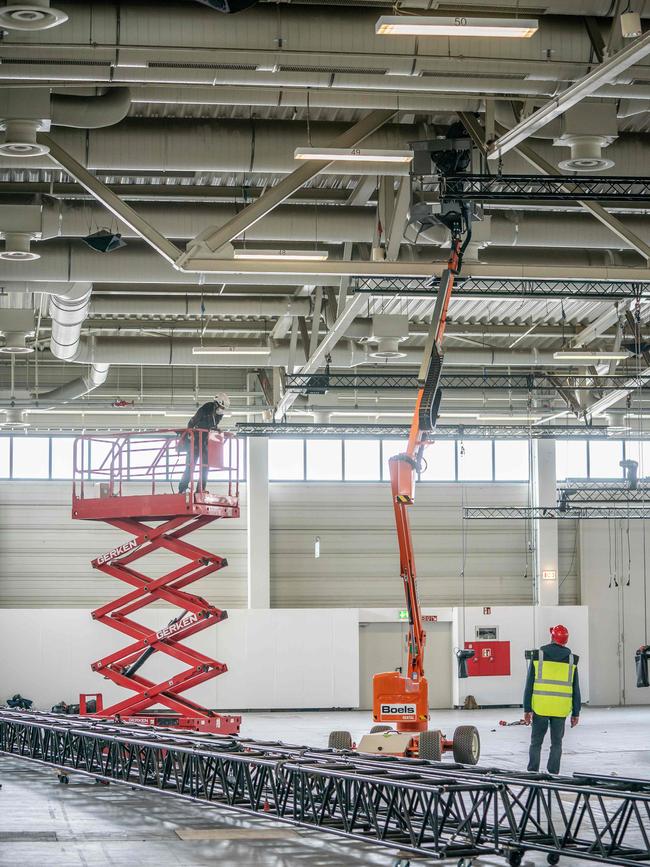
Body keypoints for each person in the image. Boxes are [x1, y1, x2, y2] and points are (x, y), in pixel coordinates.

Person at [523, 624, 581, 775]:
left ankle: (532, 771)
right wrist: (576, 712)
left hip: (541, 707)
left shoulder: (538, 656)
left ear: (552, 637)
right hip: (560, 709)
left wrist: (527, 709)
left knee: (536, 743)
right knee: (557, 743)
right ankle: (553, 772)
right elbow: (576, 688)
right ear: (566, 641)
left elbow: (529, 685)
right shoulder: (571, 660)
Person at [178, 393, 230, 494]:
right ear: (218, 403)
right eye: (222, 406)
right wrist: (190, 434)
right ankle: (182, 488)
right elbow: (192, 422)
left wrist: (216, 429)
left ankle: (200, 489)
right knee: (190, 466)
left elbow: (213, 425)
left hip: (206, 442)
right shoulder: (206, 408)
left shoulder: (219, 414)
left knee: (205, 466)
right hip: (196, 441)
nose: (222, 409)